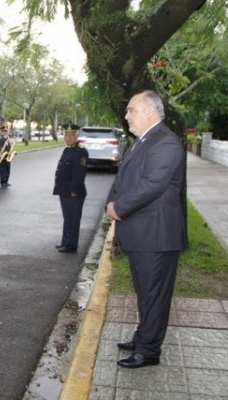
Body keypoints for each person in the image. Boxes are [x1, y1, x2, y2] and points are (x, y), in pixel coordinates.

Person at [106, 90, 185, 369]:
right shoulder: (142, 141)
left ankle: (149, 350)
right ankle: (143, 336)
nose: (127, 115)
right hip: (141, 233)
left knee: (154, 295)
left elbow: (151, 185)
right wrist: (111, 203)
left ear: (151, 112)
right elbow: (123, 181)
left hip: (156, 235)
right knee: (144, 292)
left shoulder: (166, 143)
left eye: (131, 110)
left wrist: (119, 207)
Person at [53, 125, 88, 253]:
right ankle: (65, 241)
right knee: (67, 217)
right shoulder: (68, 150)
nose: (68, 138)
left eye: (71, 135)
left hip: (73, 192)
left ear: (76, 136)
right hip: (64, 190)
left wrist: (75, 190)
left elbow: (80, 173)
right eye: (66, 135)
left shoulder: (80, 151)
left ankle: (71, 244)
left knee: (73, 218)